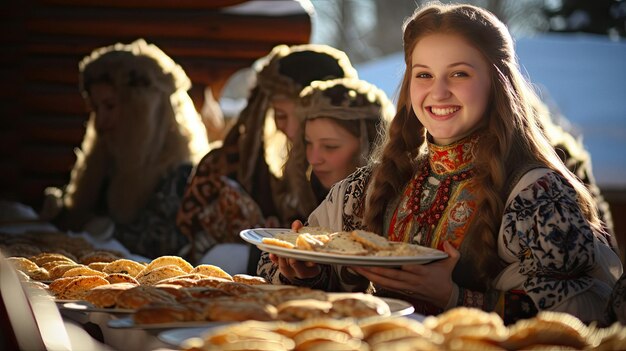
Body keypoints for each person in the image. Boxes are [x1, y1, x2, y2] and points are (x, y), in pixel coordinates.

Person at [257, 3, 623, 324]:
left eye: (459, 73)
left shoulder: (537, 193)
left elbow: (585, 314)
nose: (439, 91)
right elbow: (279, 265)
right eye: (424, 74)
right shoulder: (375, 184)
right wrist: (303, 271)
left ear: (498, 83)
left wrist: (455, 298)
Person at [176, 44, 358, 265]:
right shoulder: (222, 168)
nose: (291, 130)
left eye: (307, 118)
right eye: (280, 116)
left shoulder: (349, 172)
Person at [40, 39, 210, 259]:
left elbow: (160, 251)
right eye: (95, 107)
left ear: (142, 110)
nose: (100, 121)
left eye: (110, 106)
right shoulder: (107, 163)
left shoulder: (181, 177)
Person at [280, 77, 394, 223]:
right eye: (308, 143)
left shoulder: (394, 210)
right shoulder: (307, 196)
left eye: (330, 147)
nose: (313, 159)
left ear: (370, 146)